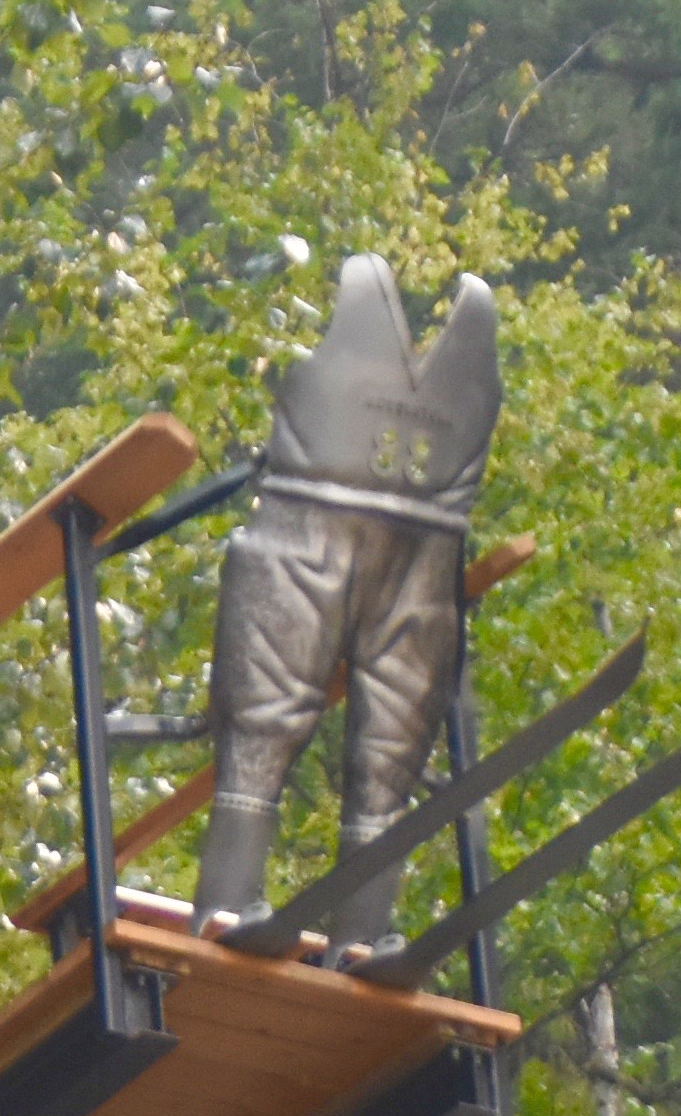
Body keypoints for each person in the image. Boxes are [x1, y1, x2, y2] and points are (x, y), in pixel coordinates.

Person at [190, 254, 501, 956]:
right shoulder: (359, 288)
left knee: (392, 748)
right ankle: (228, 897)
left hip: (419, 553)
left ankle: (361, 930)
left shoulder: (471, 325)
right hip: (305, 530)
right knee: (262, 727)